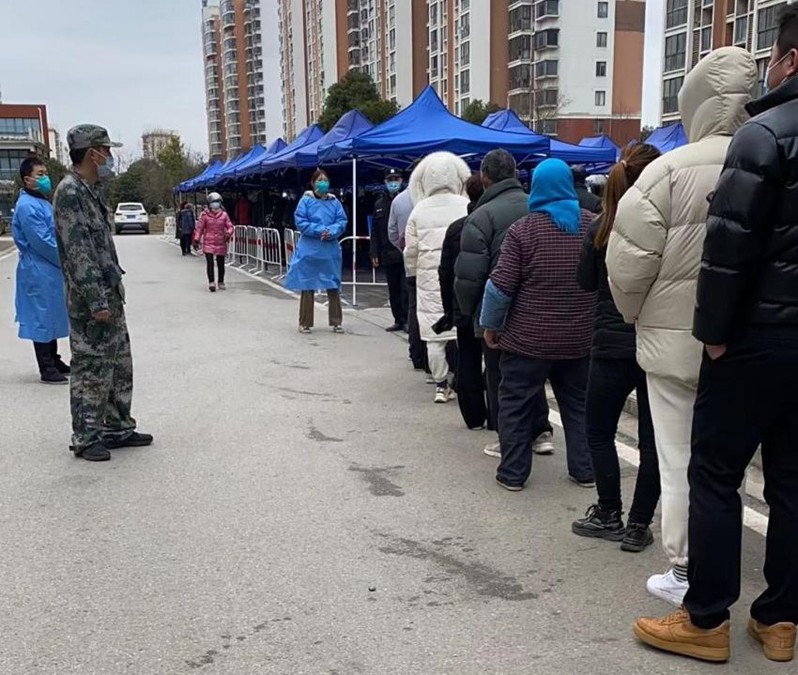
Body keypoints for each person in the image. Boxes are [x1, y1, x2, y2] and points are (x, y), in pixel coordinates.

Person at [633, 15, 798, 664]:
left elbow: (728, 247)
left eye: (774, 58)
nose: (769, 70)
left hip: (758, 334)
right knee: (791, 482)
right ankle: (780, 618)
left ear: (791, 60)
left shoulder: (764, 134)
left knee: (714, 472)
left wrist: (714, 336)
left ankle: (705, 617)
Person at [606, 46, 757, 606]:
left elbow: (627, 264)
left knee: (678, 460)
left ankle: (688, 569)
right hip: (751, 341)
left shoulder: (666, 171)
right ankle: (740, 567)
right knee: (732, 463)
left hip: (672, 344)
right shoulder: (770, 155)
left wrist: (637, 317)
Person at [480, 158, 596, 491]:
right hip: (579, 339)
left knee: (515, 405)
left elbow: (500, 288)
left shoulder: (524, 230)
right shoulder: (592, 226)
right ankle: (585, 470)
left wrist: (490, 325)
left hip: (528, 341)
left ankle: (513, 473)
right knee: (578, 405)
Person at [571, 143, 662, 553]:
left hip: (609, 342)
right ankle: (639, 524)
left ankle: (609, 511)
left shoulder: (601, 227)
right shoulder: (666, 227)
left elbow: (585, 282)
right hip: (655, 340)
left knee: (598, 430)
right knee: (653, 441)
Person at [53, 124, 153, 462]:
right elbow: (78, 253)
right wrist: (96, 300)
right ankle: (86, 436)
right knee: (91, 368)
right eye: (105, 150)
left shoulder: (91, 190)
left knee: (119, 364)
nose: (109, 156)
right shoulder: (70, 192)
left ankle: (118, 427)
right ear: (91, 153)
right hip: (90, 301)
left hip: (110, 294)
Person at [455, 148, 555, 458]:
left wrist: (470, 312)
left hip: (497, 309)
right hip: (539, 306)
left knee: (500, 377)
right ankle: (541, 431)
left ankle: (508, 439)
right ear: (515, 174)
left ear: (484, 177)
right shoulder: (538, 206)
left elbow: (470, 274)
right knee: (533, 373)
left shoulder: (481, 216)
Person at [404, 152, 470, 403]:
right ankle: (462, 380)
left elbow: (410, 250)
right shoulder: (465, 204)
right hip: (460, 276)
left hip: (429, 280)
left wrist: (412, 274)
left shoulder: (419, 210)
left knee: (434, 336)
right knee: (463, 334)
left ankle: (441, 385)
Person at [11, 156, 70, 384]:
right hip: (38, 268)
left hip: (48, 269)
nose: (46, 178)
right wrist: (66, 259)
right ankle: (46, 366)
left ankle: (54, 359)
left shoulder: (41, 201)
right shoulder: (27, 206)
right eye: (40, 174)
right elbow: (42, 241)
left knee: (51, 314)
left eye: (46, 173)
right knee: (41, 317)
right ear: (27, 179)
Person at [438, 175, 486, 428]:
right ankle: (497, 417)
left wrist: (449, 308)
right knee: (497, 364)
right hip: (493, 304)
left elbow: (445, 271)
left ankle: (474, 416)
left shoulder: (457, 227)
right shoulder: (503, 220)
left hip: (463, 303)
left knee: (467, 359)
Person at [284, 170, 347, 333]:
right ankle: (305, 322)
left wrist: (331, 231)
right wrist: (320, 230)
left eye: (325, 180)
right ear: (312, 183)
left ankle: (336, 321)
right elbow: (301, 221)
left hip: (329, 249)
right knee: (307, 284)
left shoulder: (334, 202)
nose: (323, 183)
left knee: (333, 284)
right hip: (309, 249)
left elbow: (341, 221)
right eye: (319, 180)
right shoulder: (305, 201)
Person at [370, 168, 407, 332]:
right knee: (393, 289)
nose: (393, 182)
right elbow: (375, 231)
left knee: (405, 289)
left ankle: (406, 319)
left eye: (396, 179)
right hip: (387, 252)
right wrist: (374, 251)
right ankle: (398, 319)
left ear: (401, 180)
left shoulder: (407, 200)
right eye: (390, 179)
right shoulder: (380, 203)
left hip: (404, 251)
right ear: (385, 182)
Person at [194, 192, 233, 292]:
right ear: (209, 204)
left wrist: (228, 233)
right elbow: (199, 229)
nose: (215, 204)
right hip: (208, 242)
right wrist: (196, 239)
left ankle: (221, 281)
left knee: (221, 263)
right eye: (213, 202)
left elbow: (230, 226)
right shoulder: (205, 215)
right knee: (210, 262)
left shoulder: (224, 215)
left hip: (221, 241)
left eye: (217, 202)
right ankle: (211, 282)